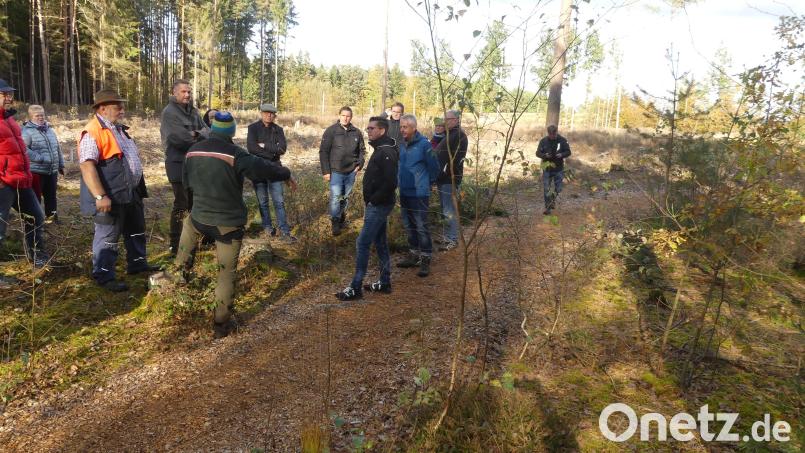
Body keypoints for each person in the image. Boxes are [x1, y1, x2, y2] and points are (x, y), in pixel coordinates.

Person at [161, 112, 292, 338]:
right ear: (231, 131)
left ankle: (180, 275)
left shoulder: (193, 151)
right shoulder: (236, 154)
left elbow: (186, 183)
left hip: (200, 217)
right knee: (226, 273)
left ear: (212, 129)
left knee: (188, 228)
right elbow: (265, 169)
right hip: (229, 224)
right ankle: (221, 324)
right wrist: (286, 173)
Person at [78, 89, 160, 292]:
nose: (122, 109)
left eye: (122, 105)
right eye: (117, 106)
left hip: (130, 191)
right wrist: (100, 196)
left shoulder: (117, 128)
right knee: (107, 235)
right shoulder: (93, 131)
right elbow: (87, 166)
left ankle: (138, 264)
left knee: (135, 229)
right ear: (102, 108)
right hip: (110, 195)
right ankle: (104, 276)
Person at [335, 116, 398, 301]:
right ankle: (385, 282)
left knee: (362, 243)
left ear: (382, 131)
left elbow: (391, 182)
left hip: (379, 205)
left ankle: (355, 287)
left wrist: (373, 200)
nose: (367, 131)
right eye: (368, 128)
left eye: (371, 128)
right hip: (378, 203)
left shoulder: (386, 152)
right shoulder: (382, 149)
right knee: (380, 242)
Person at [0, 79, 48, 278]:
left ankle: (38, 257)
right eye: (4, 94)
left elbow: (19, 150)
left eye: (10, 93)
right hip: (4, 183)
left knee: (36, 216)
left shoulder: (9, 119)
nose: (9, 97)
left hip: (21, 179)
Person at [160, 79, 208, 255]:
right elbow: (179, 140)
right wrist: (197, 135)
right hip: (177, 164)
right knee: (182, 204)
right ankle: (175, 245)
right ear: (174, 93)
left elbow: (208, 132)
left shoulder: (194, 111)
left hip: (195, 164)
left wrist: (196, 133)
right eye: (183, 92)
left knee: (195, 202)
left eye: (189, 92)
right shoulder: (169, 113)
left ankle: (193, 241)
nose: (187, 95)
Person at [396, 114, 440, 277]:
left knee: (421, 226)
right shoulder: (402, 145)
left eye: (405, 127)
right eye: (401, 127)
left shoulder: (424, 145)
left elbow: (434, 166)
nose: (402, 130)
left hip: (419, 194)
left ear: (414, 128)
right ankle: (413, 255)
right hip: (404, 192)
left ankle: (426, 259)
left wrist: (428, 183)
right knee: (409, 226)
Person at [246, 103, 295, 242]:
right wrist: (271, 153)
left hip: (275, 170)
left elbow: (283, 149)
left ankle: (284, 231)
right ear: (261, 113)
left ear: (275, 115)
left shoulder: (278, 130)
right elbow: (251, 148)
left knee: (279, 202)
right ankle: (268, 227)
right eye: (266, 112)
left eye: (272, 113)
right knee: (263, 202)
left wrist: (265, 145)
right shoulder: (253, 128)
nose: (269, 115)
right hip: (258, 169)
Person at [319, 106, 365, 236]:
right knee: (335, 197)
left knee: (345, 197)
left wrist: (359, 165)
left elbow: (362, 150)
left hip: (351, 171)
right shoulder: (331, 131)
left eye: (348, 116)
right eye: (343, 115)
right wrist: (326, 171)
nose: (345, 118)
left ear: (351, 117)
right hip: (336, 171)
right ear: (339, 116)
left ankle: (341, 218)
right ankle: (335, 222)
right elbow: (323, 152)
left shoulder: (356, 132)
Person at [22, 104, 64, 222]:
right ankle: (36, 220)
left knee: (51, 195)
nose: (41, 118)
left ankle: (51, 218)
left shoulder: (49, 130)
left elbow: (57, 148)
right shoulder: (26, 132)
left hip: (52, 170)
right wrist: (39, 158)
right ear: (31, 117)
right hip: (36, 171)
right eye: (37, 116)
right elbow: (24, 149)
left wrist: (61, 164)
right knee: (36, 197)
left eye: (42, 115)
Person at [434, 109, 468, 251]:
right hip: (444, 178)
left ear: (456, 120)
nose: (445, 122)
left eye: (448, 119)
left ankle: (452, 239)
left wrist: (444, 173)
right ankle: (447, 237)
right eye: (445, 119)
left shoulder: (459, 136)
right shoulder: (449, 134)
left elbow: (454, 159)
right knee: (445, 209)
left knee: (449, 210)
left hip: (450, 178)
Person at [536, 124, 571, 215]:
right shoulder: (543, 141)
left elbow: (568, 152)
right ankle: (548, 207)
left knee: (558, 189)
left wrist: (562, 155)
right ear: (548, 133)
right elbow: (537, 153)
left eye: (553, 134)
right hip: (547, 168)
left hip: (558, 168)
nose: (552, 136)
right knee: (546, 188)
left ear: (556, 132)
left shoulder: (562, 140)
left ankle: (552, 200)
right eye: (550, 134)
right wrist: (544, 156)